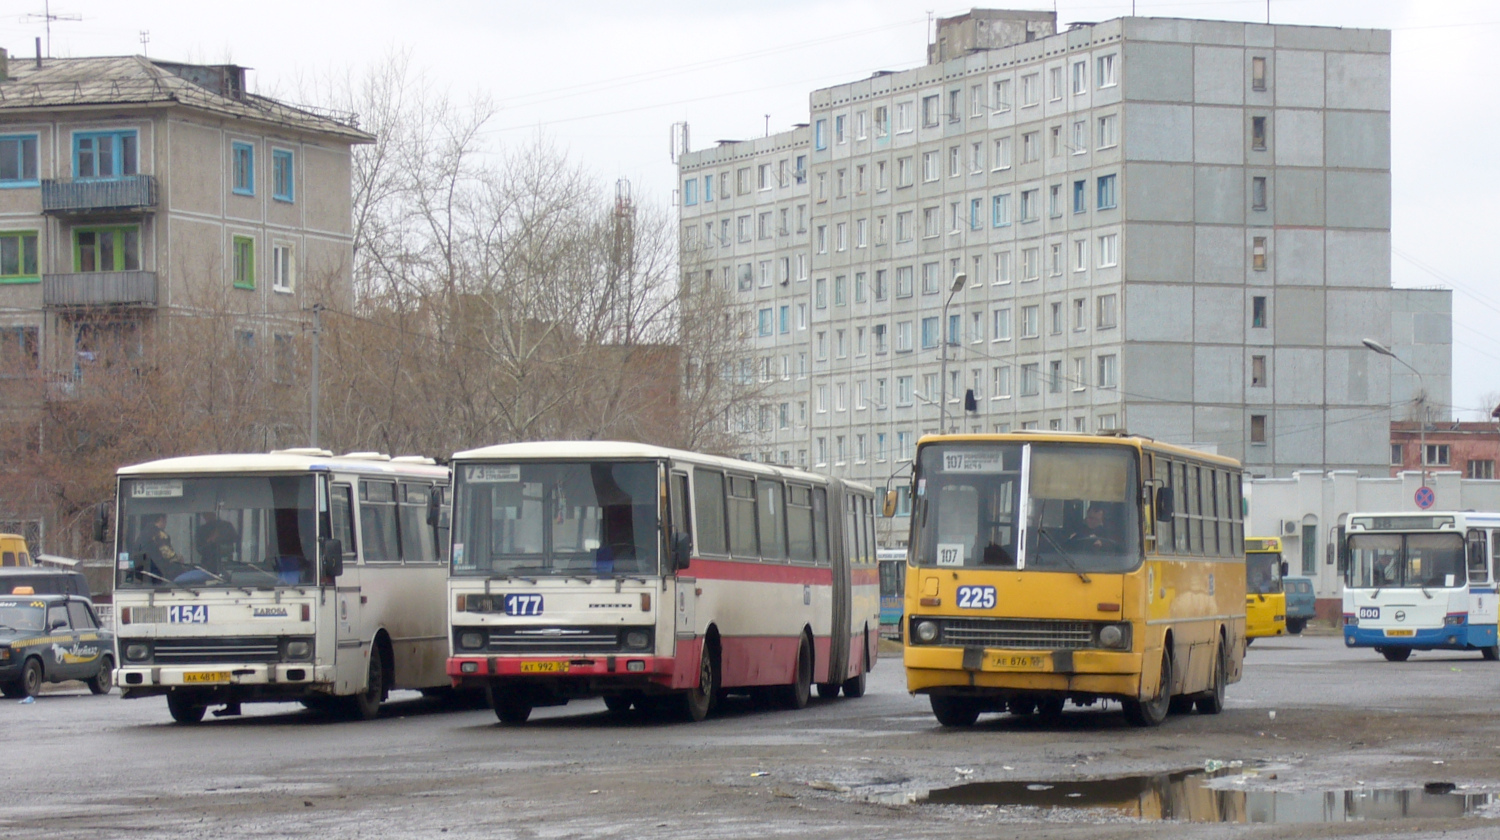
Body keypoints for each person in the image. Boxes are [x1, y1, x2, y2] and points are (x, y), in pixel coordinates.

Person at [132, 514, 183, 581]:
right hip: (159, 575)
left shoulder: (143, 534)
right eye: (166, 520)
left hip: (142, 575)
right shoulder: (160, 535)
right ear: (161, 519)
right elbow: (169, 556)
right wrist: (179, 560)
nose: (166, 523)